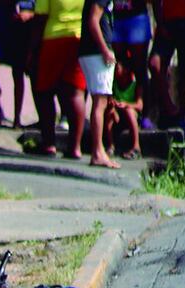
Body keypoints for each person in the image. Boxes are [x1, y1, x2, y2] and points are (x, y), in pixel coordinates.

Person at [33, 0, 87, 159]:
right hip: (79, 37)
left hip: (53, 38)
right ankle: (75, 147)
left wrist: (33, 48)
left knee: (44, 91)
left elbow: (41, 16)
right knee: (76, 93)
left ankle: (49, 144)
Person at [148, 0, 185, 127]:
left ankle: (181, 115)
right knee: (154, 64)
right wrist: (160, 23)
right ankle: (169, 109)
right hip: (167, 21)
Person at [79, 0, 118, 167]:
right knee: (100, 102)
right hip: (96, 52)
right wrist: (105, 50)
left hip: (90, 51)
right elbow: (93, 20)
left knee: (99, 101)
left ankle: (99, 150)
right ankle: (97, 152)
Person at [105, 62, 144, 158]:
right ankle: (110, 145)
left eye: (117, 68)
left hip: (131, 116)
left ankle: (136, 147)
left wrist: (126, 105)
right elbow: (108, 99)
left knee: (129, 111)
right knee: (109, 112)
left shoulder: (136, 85)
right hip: (117, 116)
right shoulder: (113, 84)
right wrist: (113, 104)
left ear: (126, 70)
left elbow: (139, 105)